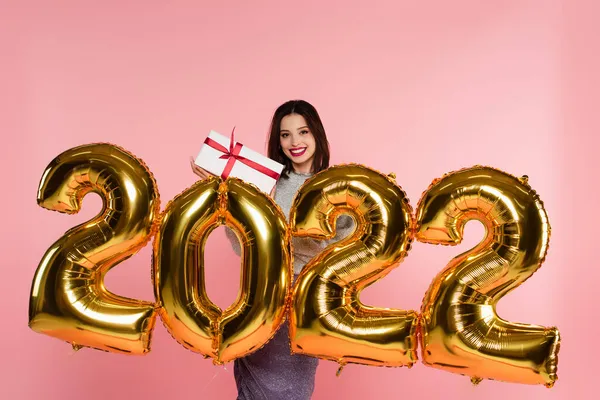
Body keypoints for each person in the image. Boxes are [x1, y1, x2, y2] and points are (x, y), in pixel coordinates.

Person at [190, 99, 353, 400]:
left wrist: (301, 250)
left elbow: (348, 250)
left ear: (317, 134)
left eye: (303, 132)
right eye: (285, 134)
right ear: (277, 140)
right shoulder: (264, 182)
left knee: (293, 391)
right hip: (262, 299)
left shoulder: (337, 186)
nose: (295, 142)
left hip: (303, 302)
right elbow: (244, 243)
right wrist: (224, 194)